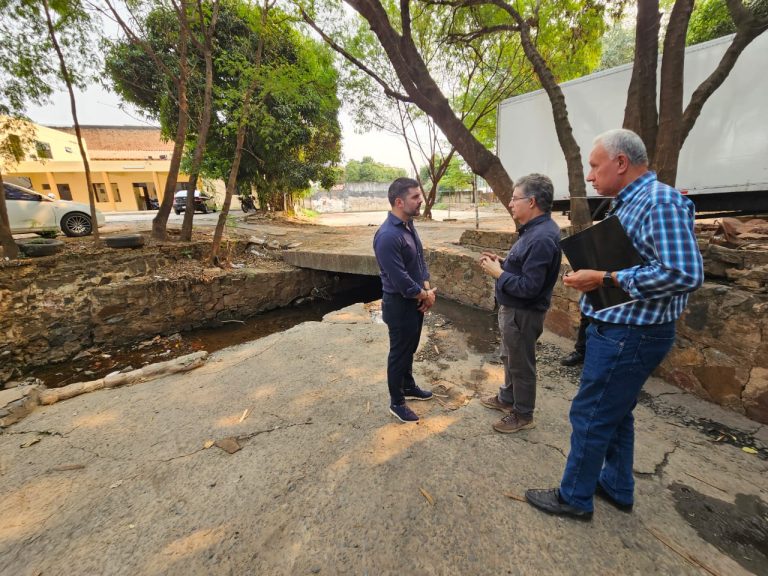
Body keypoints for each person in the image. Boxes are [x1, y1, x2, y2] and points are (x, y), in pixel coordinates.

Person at [525, 129, 703, 520]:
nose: (589, 176)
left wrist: (605, 278)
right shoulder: (630, 202)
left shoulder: (659, 202)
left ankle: (574, 498)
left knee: (589, 413)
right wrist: (594, 277)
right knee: (616, 412)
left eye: (594, 166)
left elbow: (684, 273)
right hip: (619, 329)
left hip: (632, 335)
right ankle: (617, 485)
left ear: (621, 163)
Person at [478, 173, 562, 433]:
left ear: (532, 201)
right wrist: (503, 263)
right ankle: (507, 398)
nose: (510, 203)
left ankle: (523, 414)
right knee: (510, 356)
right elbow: (524, 268)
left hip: (523, 312)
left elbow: (529, 287)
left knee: (521, 363)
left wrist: (499, 274)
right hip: (514, 310)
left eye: (515, 198)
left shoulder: (542, 238)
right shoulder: (534, 231)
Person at [373, 177, 437, 423]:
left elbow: (419, 261)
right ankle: (397, 402)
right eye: (415, 197)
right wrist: (426, 295)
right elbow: (400, 280)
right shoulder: (387, 236)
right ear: (399, 202)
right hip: (399, 304)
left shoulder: (408, 225)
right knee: (399, 353)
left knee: (410, 348)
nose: (421, 200)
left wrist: (426, 288)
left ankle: (408, 386)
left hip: (415, 300)